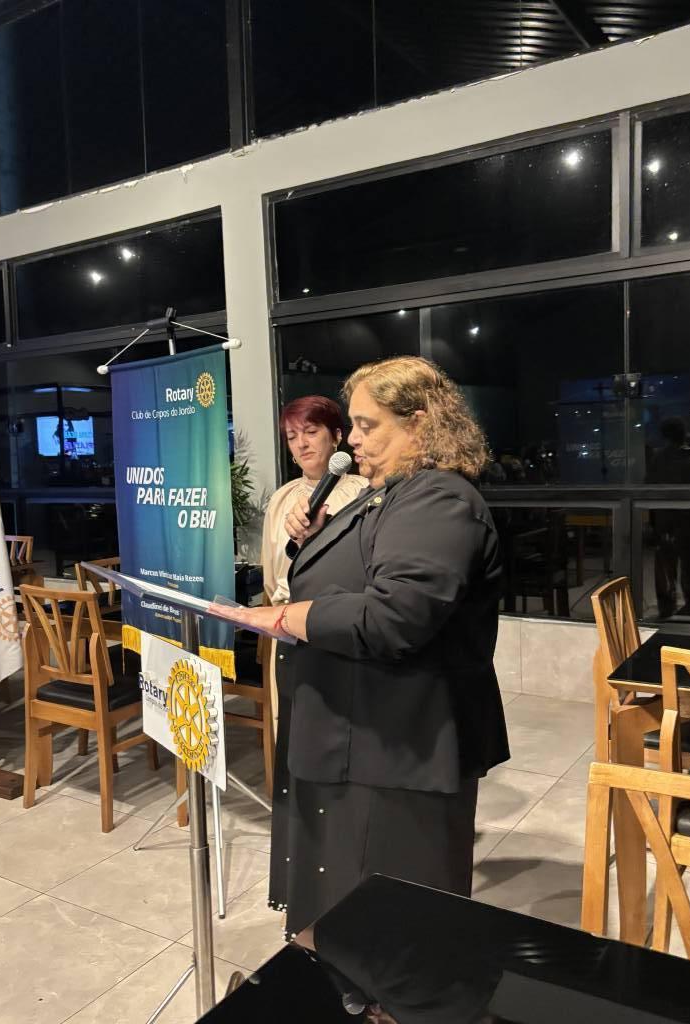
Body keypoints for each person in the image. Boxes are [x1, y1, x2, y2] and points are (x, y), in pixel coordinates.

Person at [215, 356, 509, 940]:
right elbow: (359, 566)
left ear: (420, 423)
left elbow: (395, 615)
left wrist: (285, 616)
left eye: (367, 425)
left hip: (397, 741)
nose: (352, 439)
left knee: (391, 927)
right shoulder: (390, 491)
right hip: (356, 725)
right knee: (343, 904)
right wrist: (316, 537)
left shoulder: (439, 499)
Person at [261, 396, 367, 734]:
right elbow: (271, 577)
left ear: (336, 436)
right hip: (288, 629)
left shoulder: (364, 493)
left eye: (310, 432)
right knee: (294, 730)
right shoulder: (280, 500)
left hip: (342, 630)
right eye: (292, 437)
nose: (301, 444)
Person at [646, 417, 690, 618]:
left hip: (665, 519)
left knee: (665, 564)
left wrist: (653, 521)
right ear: (683, 434)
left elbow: (649, 487)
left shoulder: (658, 458)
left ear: (664, 435)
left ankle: (666, 605)